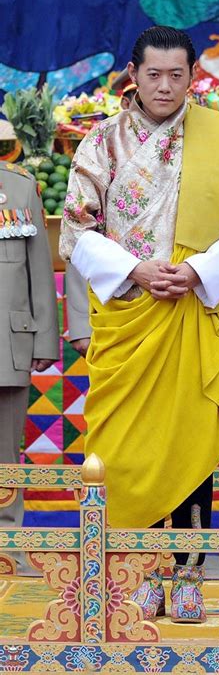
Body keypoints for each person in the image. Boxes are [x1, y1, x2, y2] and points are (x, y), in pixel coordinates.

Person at [59, 25, 219, 623]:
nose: (163, 85)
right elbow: (77, 228)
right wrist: (137, 269)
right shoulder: (100, 144)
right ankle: (142, 567)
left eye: (176, 75)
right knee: (130, 448)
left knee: (188, 444)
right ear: (133, 73)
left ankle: (187, 572)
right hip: (130, 317)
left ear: (192, 78)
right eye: (152, 74)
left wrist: (199, 272)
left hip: (193, 311)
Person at [0, 161, 59, 573]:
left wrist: (44, 340)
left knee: (5, 453)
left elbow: (40, 268)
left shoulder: (19, 188)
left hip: (8, 343)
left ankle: (5, 546)